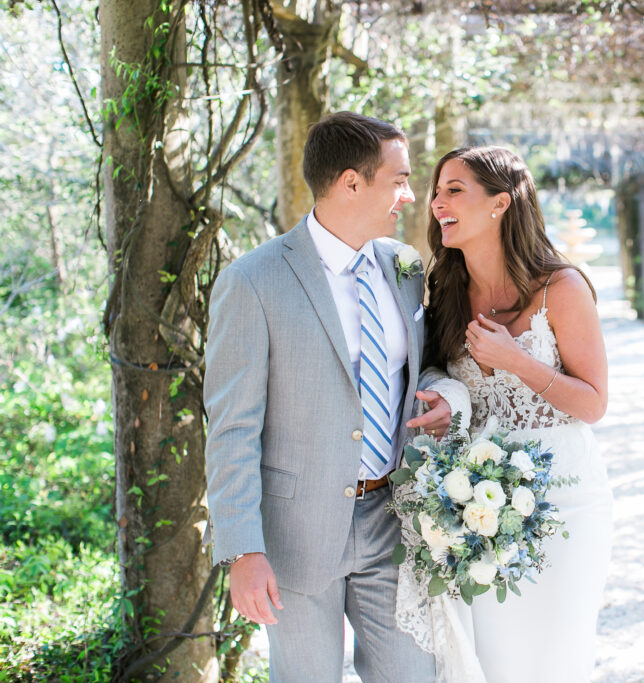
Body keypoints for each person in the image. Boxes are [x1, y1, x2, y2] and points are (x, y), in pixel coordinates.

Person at [204, 111, 468, 682]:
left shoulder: (404, 267)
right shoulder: (252, 281)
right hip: (293, 534)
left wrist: (441, 395)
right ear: (351, 182)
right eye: (398, 179)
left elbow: (415, 370)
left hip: (393, 519)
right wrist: (243, 551)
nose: (408, 195)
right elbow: (231, 428)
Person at [410, 145, 614, 681]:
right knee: (493, 660)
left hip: (566, 502)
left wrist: (516, 361)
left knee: (553, 658)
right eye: (436, 190)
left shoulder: (561, 288)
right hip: (476, 505)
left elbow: (593, 402)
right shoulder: (446, 289)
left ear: (501, 203)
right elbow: (434, 375)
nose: (436, 202)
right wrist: (448, 403)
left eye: (454, 190)